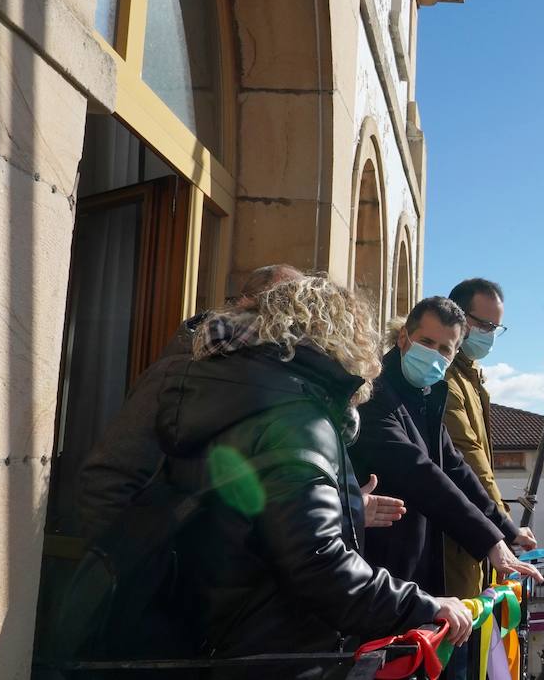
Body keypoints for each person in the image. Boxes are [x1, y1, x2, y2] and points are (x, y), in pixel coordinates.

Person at [154, 276, 472, 675]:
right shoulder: (299, 419)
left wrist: (346, 506)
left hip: (213, 635)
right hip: (272, 650)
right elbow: (318, 562)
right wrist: (423, 604)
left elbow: (264, 518)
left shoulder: (239, 394)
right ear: (339, 338)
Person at [76, 264, 303, 539]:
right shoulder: (178, 374)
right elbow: (106, 482)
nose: (301, 324)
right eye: (290, 307)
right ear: (250, 306)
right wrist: (134, 567)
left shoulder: (274, 385)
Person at [351, 296, 543, 602]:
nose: (434, 355)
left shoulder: (426, 394)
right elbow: (420, 474)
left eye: (445, 349)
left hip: (417, 568)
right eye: (426, 342)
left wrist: (505, 528)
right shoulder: (374, 394)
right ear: (404, 337)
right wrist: (490, 542)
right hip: (378, 570)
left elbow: (455, 468)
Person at [440, 278, 524, 602]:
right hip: (455, 544)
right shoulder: (447, 379)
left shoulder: (470, 376)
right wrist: (502, 522)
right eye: (485, 324)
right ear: (458, 318)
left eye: (496, 327)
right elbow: (468, 457)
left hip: (474, 539)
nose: (489, 334)